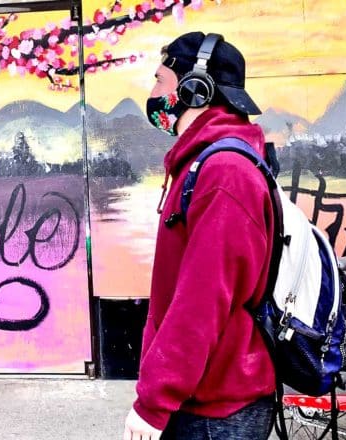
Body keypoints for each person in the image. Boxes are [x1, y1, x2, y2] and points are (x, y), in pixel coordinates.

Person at [123, 32, 277, 440]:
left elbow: (203, 300)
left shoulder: (224, 172)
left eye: (160, 80)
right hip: (203, 399)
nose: (153, 93)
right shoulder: (205, 163)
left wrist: (154, 401)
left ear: (196, 89)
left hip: (216, 413)